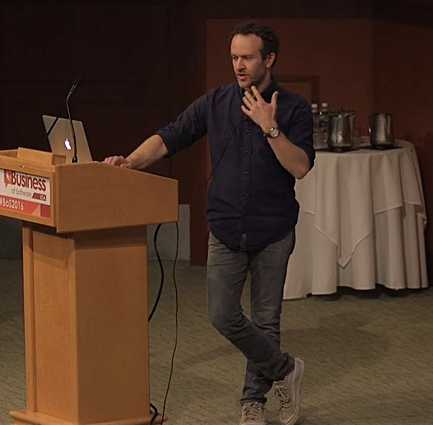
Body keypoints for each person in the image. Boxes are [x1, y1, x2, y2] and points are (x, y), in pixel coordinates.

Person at [104, 21, 315, 425]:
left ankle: (253, 402)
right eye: (234, 56)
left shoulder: (293, 108)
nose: (238, 65)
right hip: (225, 227)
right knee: (222, 315)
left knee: (266, 320)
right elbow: (171, 136)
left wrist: (269, 126)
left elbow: (301, 167)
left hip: (273, 230)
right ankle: (286, 369)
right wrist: (129, 162)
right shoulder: (216, 102)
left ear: (268, 59)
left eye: (247, 57)